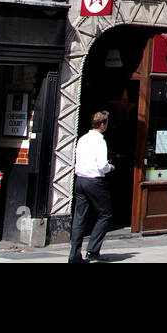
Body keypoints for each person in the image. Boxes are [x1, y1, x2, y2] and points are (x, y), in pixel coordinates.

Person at [69, 110, 114, 263]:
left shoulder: (82, 139)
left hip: (80, 180)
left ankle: (74, 254)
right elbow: (102, 165)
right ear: (102, 124)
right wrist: (110, 167)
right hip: (94, 181)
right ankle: (93, 250)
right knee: (106, 214)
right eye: (106, 123)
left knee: (79, 218)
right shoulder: (100, 141)